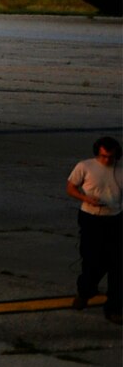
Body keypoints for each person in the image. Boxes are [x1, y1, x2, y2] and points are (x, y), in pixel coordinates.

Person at [66, 135, 121, 322]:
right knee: (91, 260)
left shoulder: (120, 170)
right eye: (104, 156)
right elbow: (71, 187)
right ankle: (85, 290)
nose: (107, 160)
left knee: (117, 265)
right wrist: (86, 198)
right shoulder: (85, 166)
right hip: (91, 218)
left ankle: (114, 307)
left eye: (111, 157)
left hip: (115, 219)